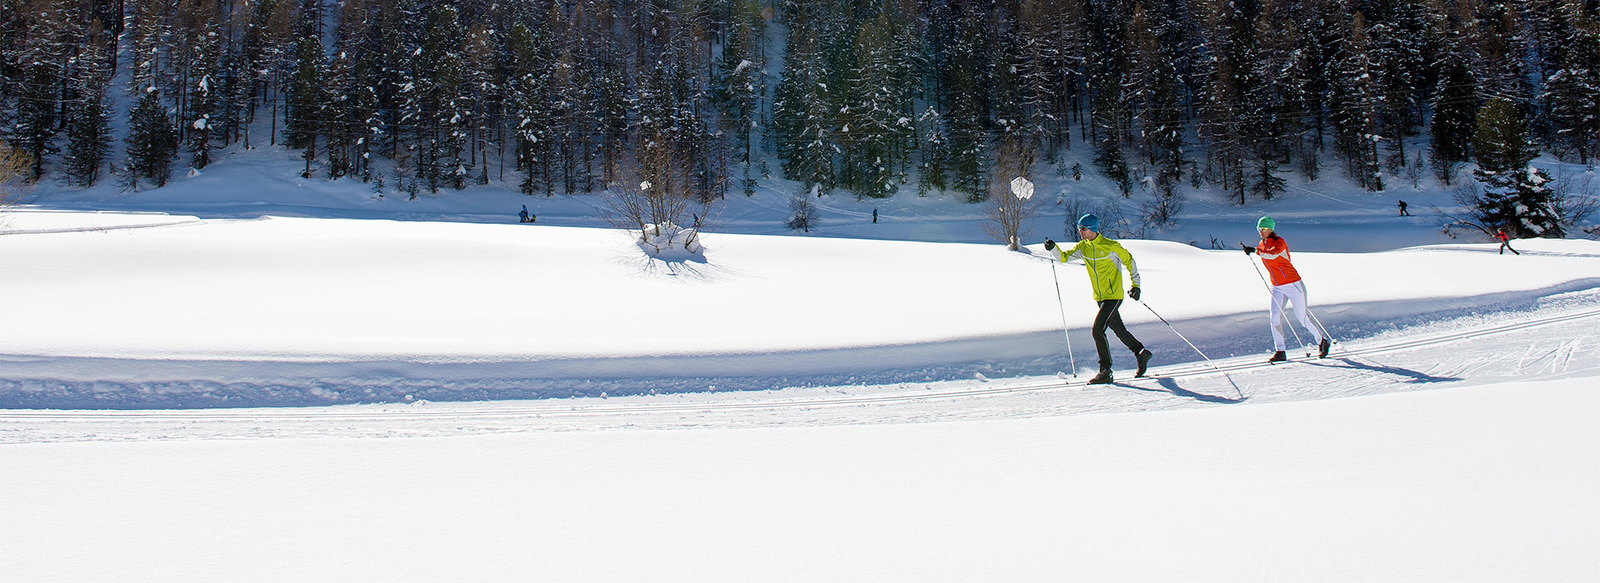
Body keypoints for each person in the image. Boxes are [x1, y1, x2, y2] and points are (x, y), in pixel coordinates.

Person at [1044, 213, 1153, 384]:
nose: (1080, 231)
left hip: (1114, 296)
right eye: (1079, 228)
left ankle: (1105, 370)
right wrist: (1053, 248)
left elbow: (1130, 261)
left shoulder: (1111, 246)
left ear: (1093, 229)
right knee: (1119, 330)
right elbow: (1063, 258)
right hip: (1100, 298)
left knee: (1097, 329)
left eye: (1083, 228)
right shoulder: (1083, 247)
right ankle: (1141, 353)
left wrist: (1136, 285)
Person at [1243, 216, 1329, 362]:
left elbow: (1273, 254)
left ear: (1271, 229)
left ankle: (1321, 341)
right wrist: (1254, 250)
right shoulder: (1262, 244)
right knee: (1274, 318)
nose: (1261, 232)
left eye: (1264, 229)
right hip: (1277, 286)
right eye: (1259, 229)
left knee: (1302, 318)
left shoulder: (1279, 242)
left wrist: (1256, 251)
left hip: (1293, 284)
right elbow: (1265, 254)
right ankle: (1280, 351)